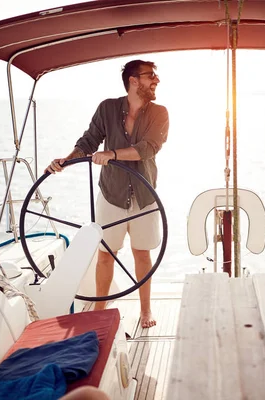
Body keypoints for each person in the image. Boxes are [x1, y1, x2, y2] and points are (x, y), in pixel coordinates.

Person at [47, 60, 169, 329]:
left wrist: (111, 154)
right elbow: (88, 142)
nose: (156, 80)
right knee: (105, 254)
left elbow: (147, 148)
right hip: (111, 193)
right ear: (134, 81)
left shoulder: (159, 113)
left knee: (142, 255)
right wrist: (65, 161)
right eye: (151, 76)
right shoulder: (107, 108)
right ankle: (99, 312)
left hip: (144, 196)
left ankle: (145, 311)